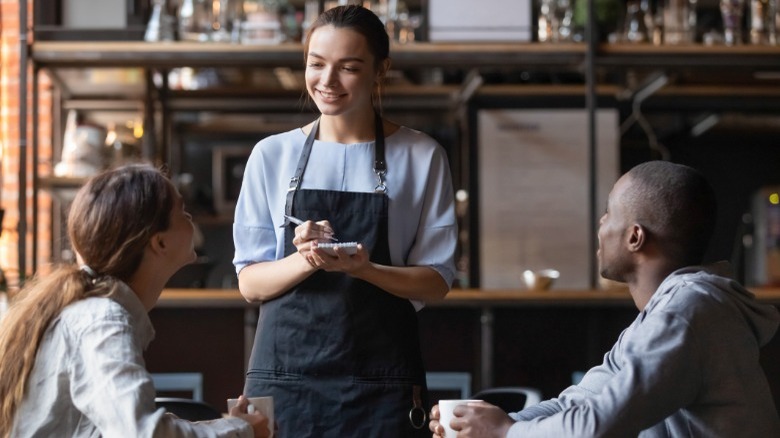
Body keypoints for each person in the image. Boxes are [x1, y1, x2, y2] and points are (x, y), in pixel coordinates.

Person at [232, 4, 457, 436]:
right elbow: (250, 282)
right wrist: (307, 259)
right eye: (316, 65)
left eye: (348, 67)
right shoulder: (270, 155)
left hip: (382, 384)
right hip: (285, 383)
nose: (327, 82)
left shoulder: (422, 155)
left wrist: (365, 270)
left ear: (380, 70)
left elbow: (436, 280)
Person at [429, 161, 780, 437]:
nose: (601, 223)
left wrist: (505, 432)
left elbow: (597, 427)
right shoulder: (662, 314)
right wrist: (481, 421)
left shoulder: (689, 311)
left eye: (609, 212)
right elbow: (581, 401)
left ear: (635, 237)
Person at [0, 164, 271, 438]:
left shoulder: (94, 311)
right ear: (159, 243)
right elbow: (142, 434)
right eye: (180, 210)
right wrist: (242, 431)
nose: (189, 214)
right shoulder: (103, 320)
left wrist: (228, 426)